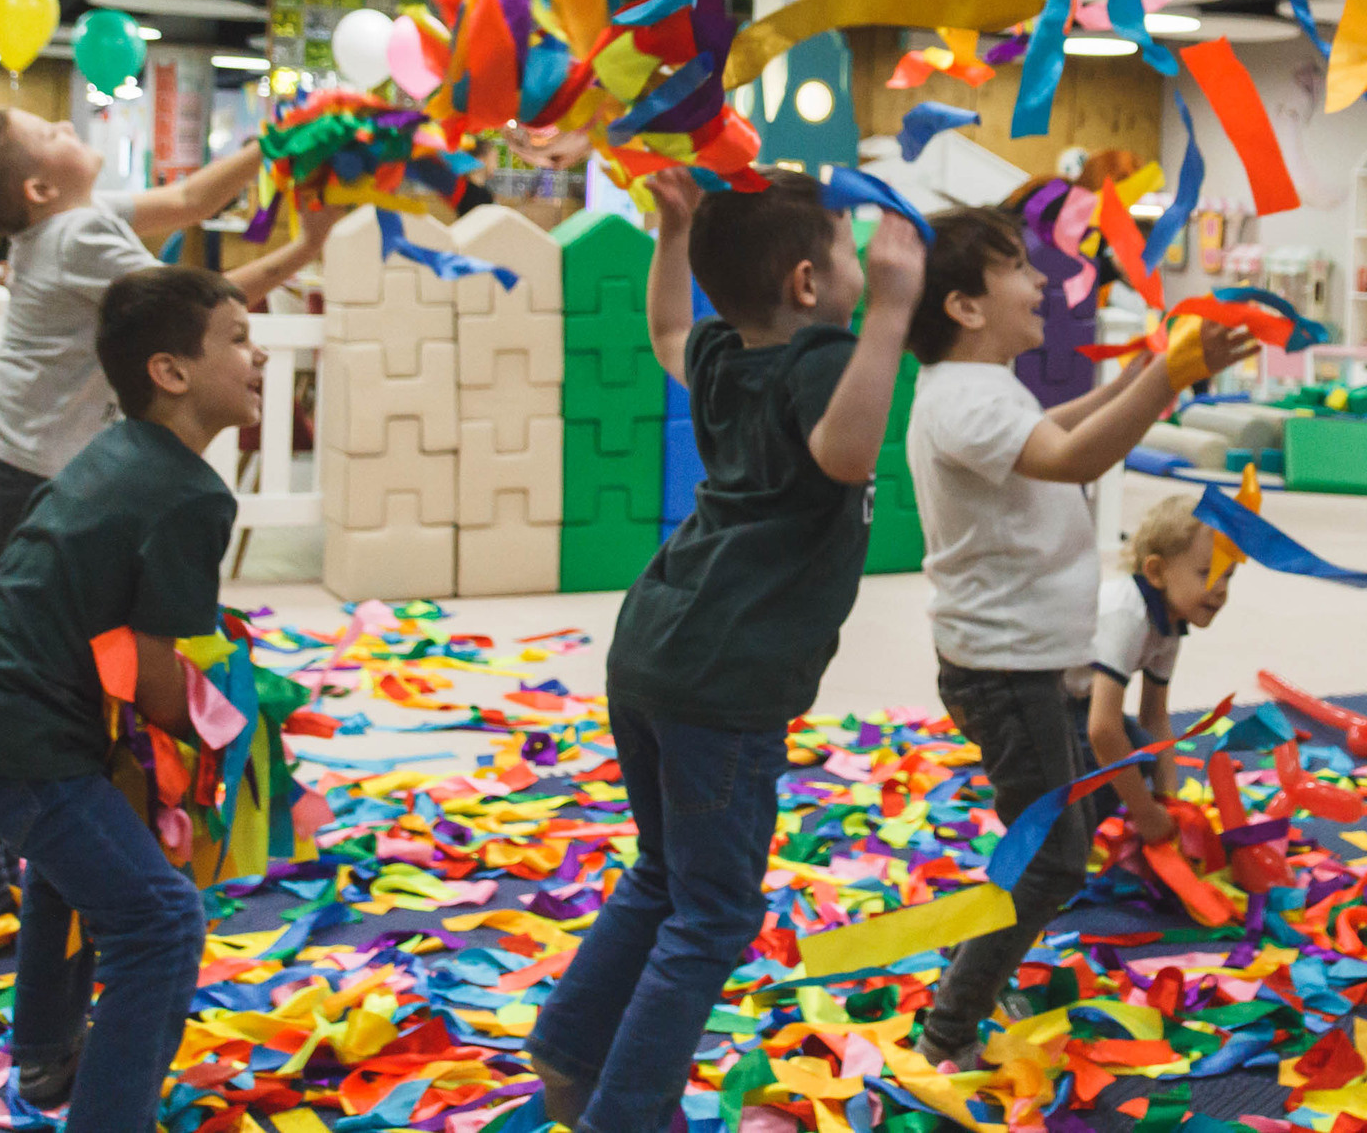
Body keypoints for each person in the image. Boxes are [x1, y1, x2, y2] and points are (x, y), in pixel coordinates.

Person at [528, 169, 923, 1133]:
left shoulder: (722, 354)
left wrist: (672, 237)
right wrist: (890, 314)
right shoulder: (823, 359)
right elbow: (846, 455)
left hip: (656, 647)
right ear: (806, 283)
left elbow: (669, 327)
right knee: (712, 910)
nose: (859, 269)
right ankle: (626, 1113)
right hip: (724, 676)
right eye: (847, 254)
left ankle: (571, 1047)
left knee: (664, 872)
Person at [0, 109, 328, 919]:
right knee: (32, 668)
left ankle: (30, 821)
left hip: (7, 453)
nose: (64, 119)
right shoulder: (75, 234)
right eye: (50, 130)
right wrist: (305, 247)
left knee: (48, 658)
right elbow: (191, 314)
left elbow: (190, 198)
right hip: (10, 462)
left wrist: (280, 138)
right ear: (39, 188)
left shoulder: (82, 215)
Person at [0, 265, 264, 1131]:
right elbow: (155, 666)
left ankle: (45, 1054)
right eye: (238, 339)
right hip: (10, 730)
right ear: (170, 371)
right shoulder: (188, 494)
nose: (257, 357)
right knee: (161, 920)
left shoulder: (119, 450)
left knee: (79, 867)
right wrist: (232, 738)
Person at [902, 207, 1251, 1068]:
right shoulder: (963, 399)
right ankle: (949, 1029)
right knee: (1053, 859)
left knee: (1075, 810)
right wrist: (1164, 377)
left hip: (1030, 662)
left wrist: (1136, 378)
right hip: (1004, 670)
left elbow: (1057, 431)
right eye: (1019, 268)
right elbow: (1072, 458)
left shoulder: (979, 387)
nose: (1043, 282)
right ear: (965, 307)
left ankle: (973, 961)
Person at [1069, 495, 1228, 845]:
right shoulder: (1128, 615)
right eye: (1207, 573)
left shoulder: (1170, 623)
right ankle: (1065, 844)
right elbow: (1103, 730)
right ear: (1156, 572)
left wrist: (1170, 803)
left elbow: (1154, 717)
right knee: (1120, 758)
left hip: (1076, 701)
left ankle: (1075, 833)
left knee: (1141, 751)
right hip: (1032, 698)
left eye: (1227, 576)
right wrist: (1145, 813)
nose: (1220, 590)